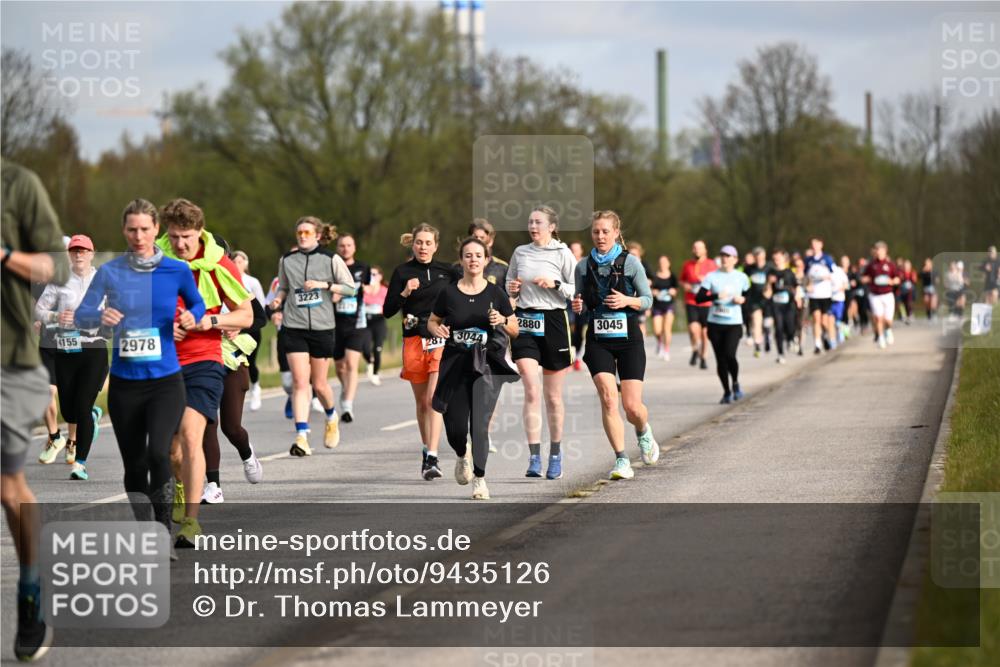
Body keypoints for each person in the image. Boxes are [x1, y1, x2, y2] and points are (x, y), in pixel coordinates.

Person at [155, 199, 253, 547]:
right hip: (162, 361)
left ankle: (191, 524)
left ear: (199, 231)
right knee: (170, 449)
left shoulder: (219, 264)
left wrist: (210, 320)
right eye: (173, 237)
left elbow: (245, 315)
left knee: (191, 433)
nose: (180, 244)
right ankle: (180, 486)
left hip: (204, 360)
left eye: (186, 236)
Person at [2, 159, 69, 661]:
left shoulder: (19, 184)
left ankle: (30, 592)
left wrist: (5, 255)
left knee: (7, 487)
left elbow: (54, 266)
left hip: (7, 361)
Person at [428, 237, 519, 499]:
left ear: (486, 259)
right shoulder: (449, 292)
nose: (473, 260)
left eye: (478, 255)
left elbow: (514, 329)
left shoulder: (495, 293)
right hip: (455, 363)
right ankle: (461, 454)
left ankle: (480, 479)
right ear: (462, 260)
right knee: (456, 429)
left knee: (479, 427)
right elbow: (433, 321)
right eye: (468, 255)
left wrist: (501, 319)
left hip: (486, 365)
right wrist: (439, 328)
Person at [572, 211, 659, 481]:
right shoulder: (583, 267)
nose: (600, 236)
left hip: (629, 339)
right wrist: (579, 307)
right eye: (596, 232)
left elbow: (647, 300)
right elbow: (582, 306)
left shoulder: (630, 262)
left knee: (632, 407)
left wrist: (627, 301)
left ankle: (643, 431)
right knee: (609, 398)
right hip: (598, 340)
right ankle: (622, 459)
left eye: (605, 231)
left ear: (616, 232)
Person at [270, 218, 357, 457]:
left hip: (322, 327)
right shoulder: (287, 260)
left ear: (317, 235)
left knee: (319, 384)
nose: (302, 235)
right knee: (300, 382)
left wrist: (325, 285)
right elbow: (284, 287)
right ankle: (302, 437)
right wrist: (278, 299)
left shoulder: (331, 259)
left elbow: (351, 288)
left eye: (307, 232)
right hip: (294, 325)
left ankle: (331, 415)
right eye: (299, 232)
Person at [506, 206, 577, 480]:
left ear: (552, 226)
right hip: (524, 321)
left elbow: (575, 289)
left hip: (555, 323)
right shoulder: (520, 252)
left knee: (553, 396)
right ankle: (534, 457)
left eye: (538, 222)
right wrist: (511, 288)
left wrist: (556, 283)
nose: (533, 226)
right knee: (532, 390)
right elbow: (509, 284)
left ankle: (555, 455)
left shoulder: (562, 253)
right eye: (530, 222)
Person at [34, 234, 109, 480]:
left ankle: (80, 463)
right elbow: (40, 310)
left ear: (91, 253)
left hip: (94, 346)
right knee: (69, 410)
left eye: (83, 250)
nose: (78, 254)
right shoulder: (59, 281)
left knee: (82, 406)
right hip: (66, 349)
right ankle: (93, 416)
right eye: (74, 250)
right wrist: (56, 318)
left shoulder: (104, 279)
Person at [383, 223, 455, 479]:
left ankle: (433, 457)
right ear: (412, 244)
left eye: (428, 243)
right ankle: (427, 450)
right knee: (422, 402)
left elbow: (462, 296)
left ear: (436, 246)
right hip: (413, 340)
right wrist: (405, 292)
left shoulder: (448, 271)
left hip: (439, 339)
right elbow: (388, 310)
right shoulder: (402, 271)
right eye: (419, 243)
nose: (423, 247)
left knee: (434, 398)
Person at [696, 245, 751, 403]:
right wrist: (714, 296)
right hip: (715, 324)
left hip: (734, 323)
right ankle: (726, 391)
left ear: (735, 259)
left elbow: (749, 297)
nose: (725, 258)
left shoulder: (742, 277)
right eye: (723, 256)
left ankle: (735, 383)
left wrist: (743, 299)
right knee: (720, 359)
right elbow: (699, 298)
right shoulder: (711, 277)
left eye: (728, 256)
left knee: (730, 355)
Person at [333, 233, 372, 423]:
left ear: (354, 248)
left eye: (349, 245)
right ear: (337, 248)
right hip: (334, 323)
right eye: (342, 245)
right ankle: (345, 387)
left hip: (357, 323)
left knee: (351, 364)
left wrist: (366, 290)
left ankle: (347, 404)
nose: (345, 248)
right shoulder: (332, 267)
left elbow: (372, 288)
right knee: (340, 366)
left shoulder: (363, 267)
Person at [231, 250, 267, 410]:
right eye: (234, 261)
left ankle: (255, 387)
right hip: (231, 329)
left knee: (250, 362)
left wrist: (245, 322)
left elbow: (261, 306)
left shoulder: (252, 282)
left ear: (246, 263)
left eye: (240, 261)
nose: (237, 264)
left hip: (250, 328)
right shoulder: (226, 279)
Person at [680, 240, 717, 370]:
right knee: (693, 329)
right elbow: (682, 280)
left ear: (705, 250)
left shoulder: (712, 265)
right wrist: (686, 286)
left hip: (706, 302)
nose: (697, 250)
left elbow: (717, 282)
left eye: (699, 248)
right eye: (695, 248)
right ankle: (696, 348)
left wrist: (705, 282)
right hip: (692, 301)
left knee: (705, 332)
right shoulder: (687, 265)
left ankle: (703, 357)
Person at [862, 241, 901, 349]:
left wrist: (892, 281)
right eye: (877, 250)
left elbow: (898, 278)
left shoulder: (890, 265)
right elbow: (864, 277)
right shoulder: (871, 265)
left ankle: (888, 330)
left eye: (880, 250)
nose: (878, 252)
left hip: (888, 294)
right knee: (878, 318)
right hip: (875, 295)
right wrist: (866, 279)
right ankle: (881, 338)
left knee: (888, 320)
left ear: (885, 251)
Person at [804, 237, 836, 354]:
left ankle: (826, 336)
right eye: (812, 244)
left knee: (824, 321)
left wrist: (827, 277)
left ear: (821, 245)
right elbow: (806, 277)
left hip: (825, 294)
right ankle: (817, 344)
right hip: (814, 295)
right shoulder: (808, 260)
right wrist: (807, 285)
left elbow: (834, 273)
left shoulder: (827, 259)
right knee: (816, 319)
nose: (814, 246)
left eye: (816, 244)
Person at [767, 249, 798, 364]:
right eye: (774, 258)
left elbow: (796, 287)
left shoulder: (790, 272)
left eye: (778, 258)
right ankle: (780, 354)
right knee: (778, 328)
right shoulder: (770, 273)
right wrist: (769, 283)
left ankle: (791, 339)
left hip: (789, 304)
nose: (776, 260)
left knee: (790, 326)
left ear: (784, 258)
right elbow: (767, 293)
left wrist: (798, 298)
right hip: (776, 305)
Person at [363, 265, 388, 386]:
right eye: (370, 274)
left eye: (374, 274)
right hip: (366, 321)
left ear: (380, 276)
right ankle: (369, 361)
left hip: (379, 321)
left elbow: (388, 307)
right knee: (365, 348)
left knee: (377, 349)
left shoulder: (384, 290)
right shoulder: (363, 290)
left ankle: (375, 373)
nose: (371, 277)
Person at [650, 255, 677, 361]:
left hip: (669, 305)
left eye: (665, 262)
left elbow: (675, 290)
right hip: (657, 306)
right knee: (657, 330)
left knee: (667, 328)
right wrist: (654, 292)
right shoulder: (654, 277)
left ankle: (666, 350)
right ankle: (660, 343)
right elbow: (649, 290)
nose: (663, 264)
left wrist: (673, 292)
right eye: (661, 262)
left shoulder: (672, 276)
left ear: (668, 263)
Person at [745, 247, 770, 358]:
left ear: (764, 257)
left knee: (767, 323)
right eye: (757, 257)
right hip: (754, 300)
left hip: (768, 300)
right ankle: (758, 345)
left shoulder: (770, 267)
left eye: (761, 257)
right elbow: (743, 282)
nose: (759, 260)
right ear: (754, 257)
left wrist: (769, 289)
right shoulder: (749, 269)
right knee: (756, 321)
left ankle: (768, 336)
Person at [567, 240, 588, 371]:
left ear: (581, 251)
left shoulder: (586, 264)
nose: (573, 252)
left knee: (580, 332)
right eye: (571, 249)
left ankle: (578, 357)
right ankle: (570, 358)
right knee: (569, 330)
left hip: (582, 302)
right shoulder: (565, 263)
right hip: (568, 302)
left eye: (576, 249)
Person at [898, 259, 918, 325]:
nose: (906, 266)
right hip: (902, 291)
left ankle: (910, 314)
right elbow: (899, 281)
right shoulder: (901, 272)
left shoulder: (912, 272)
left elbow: (915, 281)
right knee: (901, 303)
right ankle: (904, 315)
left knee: (909, 303)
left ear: (910, 266)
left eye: (908, 265)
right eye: (905, 265)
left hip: (910, 291)